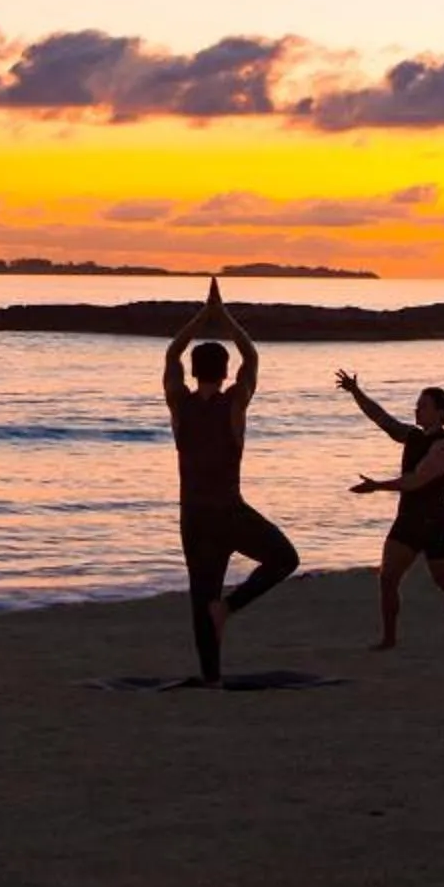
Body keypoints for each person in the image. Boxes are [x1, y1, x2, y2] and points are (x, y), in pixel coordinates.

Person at [164, 279, 298, 685]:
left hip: (194, 517)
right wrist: (225, 318)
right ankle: (231, 607)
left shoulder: (180, 404)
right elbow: (252, 357)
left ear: (193, 370)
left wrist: (200, 318)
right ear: (225, 372)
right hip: (228, 513)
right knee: (284, 559)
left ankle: (212, 678)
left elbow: (171, 353)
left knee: (201, 595)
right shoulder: (234, 403)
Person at [336, 370, 444, 648]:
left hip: (433, 522)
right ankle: (389, 639)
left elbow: (416, 480)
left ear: (440, 412)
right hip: (408, 519)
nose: (417, 409)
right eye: (417, 405)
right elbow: (382, 419)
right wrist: (355, 392)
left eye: (423, 406)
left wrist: (377, 486)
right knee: (388, 579)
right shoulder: (413, 436)